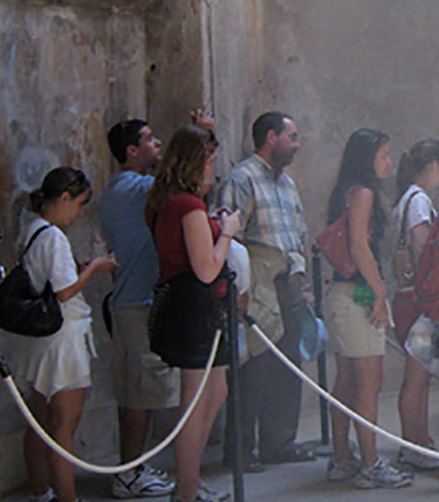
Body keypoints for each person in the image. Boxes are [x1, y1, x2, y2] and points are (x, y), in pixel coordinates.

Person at [216, 112, 315, 472]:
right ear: (271, 137)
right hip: (256, 283)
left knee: (289, 364)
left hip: (286, 282)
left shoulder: (287, 183)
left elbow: (297, 234)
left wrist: (301, 283)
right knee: (253, 369)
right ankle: (241, 450)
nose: (297, 144)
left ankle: (279, 443)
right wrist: (240, 290)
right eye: (292, 136)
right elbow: (231, 238)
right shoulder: (241, 179)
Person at [146, 124, 240, 502]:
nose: (211, 170)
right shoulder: (186, 205)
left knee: (215, 391)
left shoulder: (162, 200)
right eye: (209, 161)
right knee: (194, 400)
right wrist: (227, 231)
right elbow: (206, 267)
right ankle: (185, 489)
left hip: (189, 304)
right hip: (193, 307)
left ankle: (190, 481)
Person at [15, 167, 118, 502]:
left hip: (40, 339)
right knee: (64, 425)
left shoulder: (31, 229)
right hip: (63, 338)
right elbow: (64, 291)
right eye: (79, 203)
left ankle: (40, 491)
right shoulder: (54, 236)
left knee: (40, 420)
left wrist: (80, 266)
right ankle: (68, 497)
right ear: (63, 198)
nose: (80, 211)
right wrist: (94, 268)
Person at [322, 128, 412, 489]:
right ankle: (370, 464)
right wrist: (379, 294)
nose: (389, 162)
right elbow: (360, 247)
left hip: (343, 293)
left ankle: (343, 457)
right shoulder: (362, 194)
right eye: (384, 155)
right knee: (368, 385)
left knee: (346, 381)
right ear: (367, 159)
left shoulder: (345, 192)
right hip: (357, 294)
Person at [100, 118, 178, 498]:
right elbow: (179, 186)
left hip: (131, 301)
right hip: (137, 303)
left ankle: (132, 467)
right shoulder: (136, 189)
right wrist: (201, 140)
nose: (157, 142)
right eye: (150, 139)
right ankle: (128, 473)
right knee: (140, 394)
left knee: (136, 392)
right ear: (132, 151)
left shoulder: (121, 189)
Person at [389, 138, 439, 472]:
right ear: (431, 167)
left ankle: (422, 439)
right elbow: (422, 247)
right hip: (417, 298)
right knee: (416, 377)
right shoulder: (418, 201)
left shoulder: (409, 198)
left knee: (424, 374)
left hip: (410, 296)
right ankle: (410, 444)